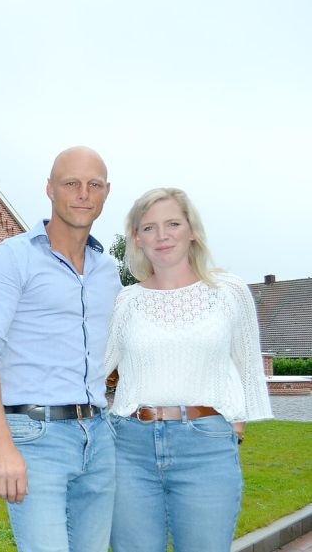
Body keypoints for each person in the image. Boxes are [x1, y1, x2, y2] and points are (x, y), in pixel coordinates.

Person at [0, 146, 122, 551]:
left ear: (106, 193)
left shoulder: (109, 271)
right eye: (72, 183)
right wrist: (0, 444)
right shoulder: (11, 259)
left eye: (94, 185)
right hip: (36, 438)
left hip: (100, 437)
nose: (83, 193)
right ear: (50, 189)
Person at [106, 188, 273, 552]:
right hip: (129, 449)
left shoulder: (228, 291)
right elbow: (96, 368)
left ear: (192, 230)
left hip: (206, 448)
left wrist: (236, 427)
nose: (162, 236)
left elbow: (247, 365)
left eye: (172, 224)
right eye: (148, 228)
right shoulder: (126, 301)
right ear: (136, 238)